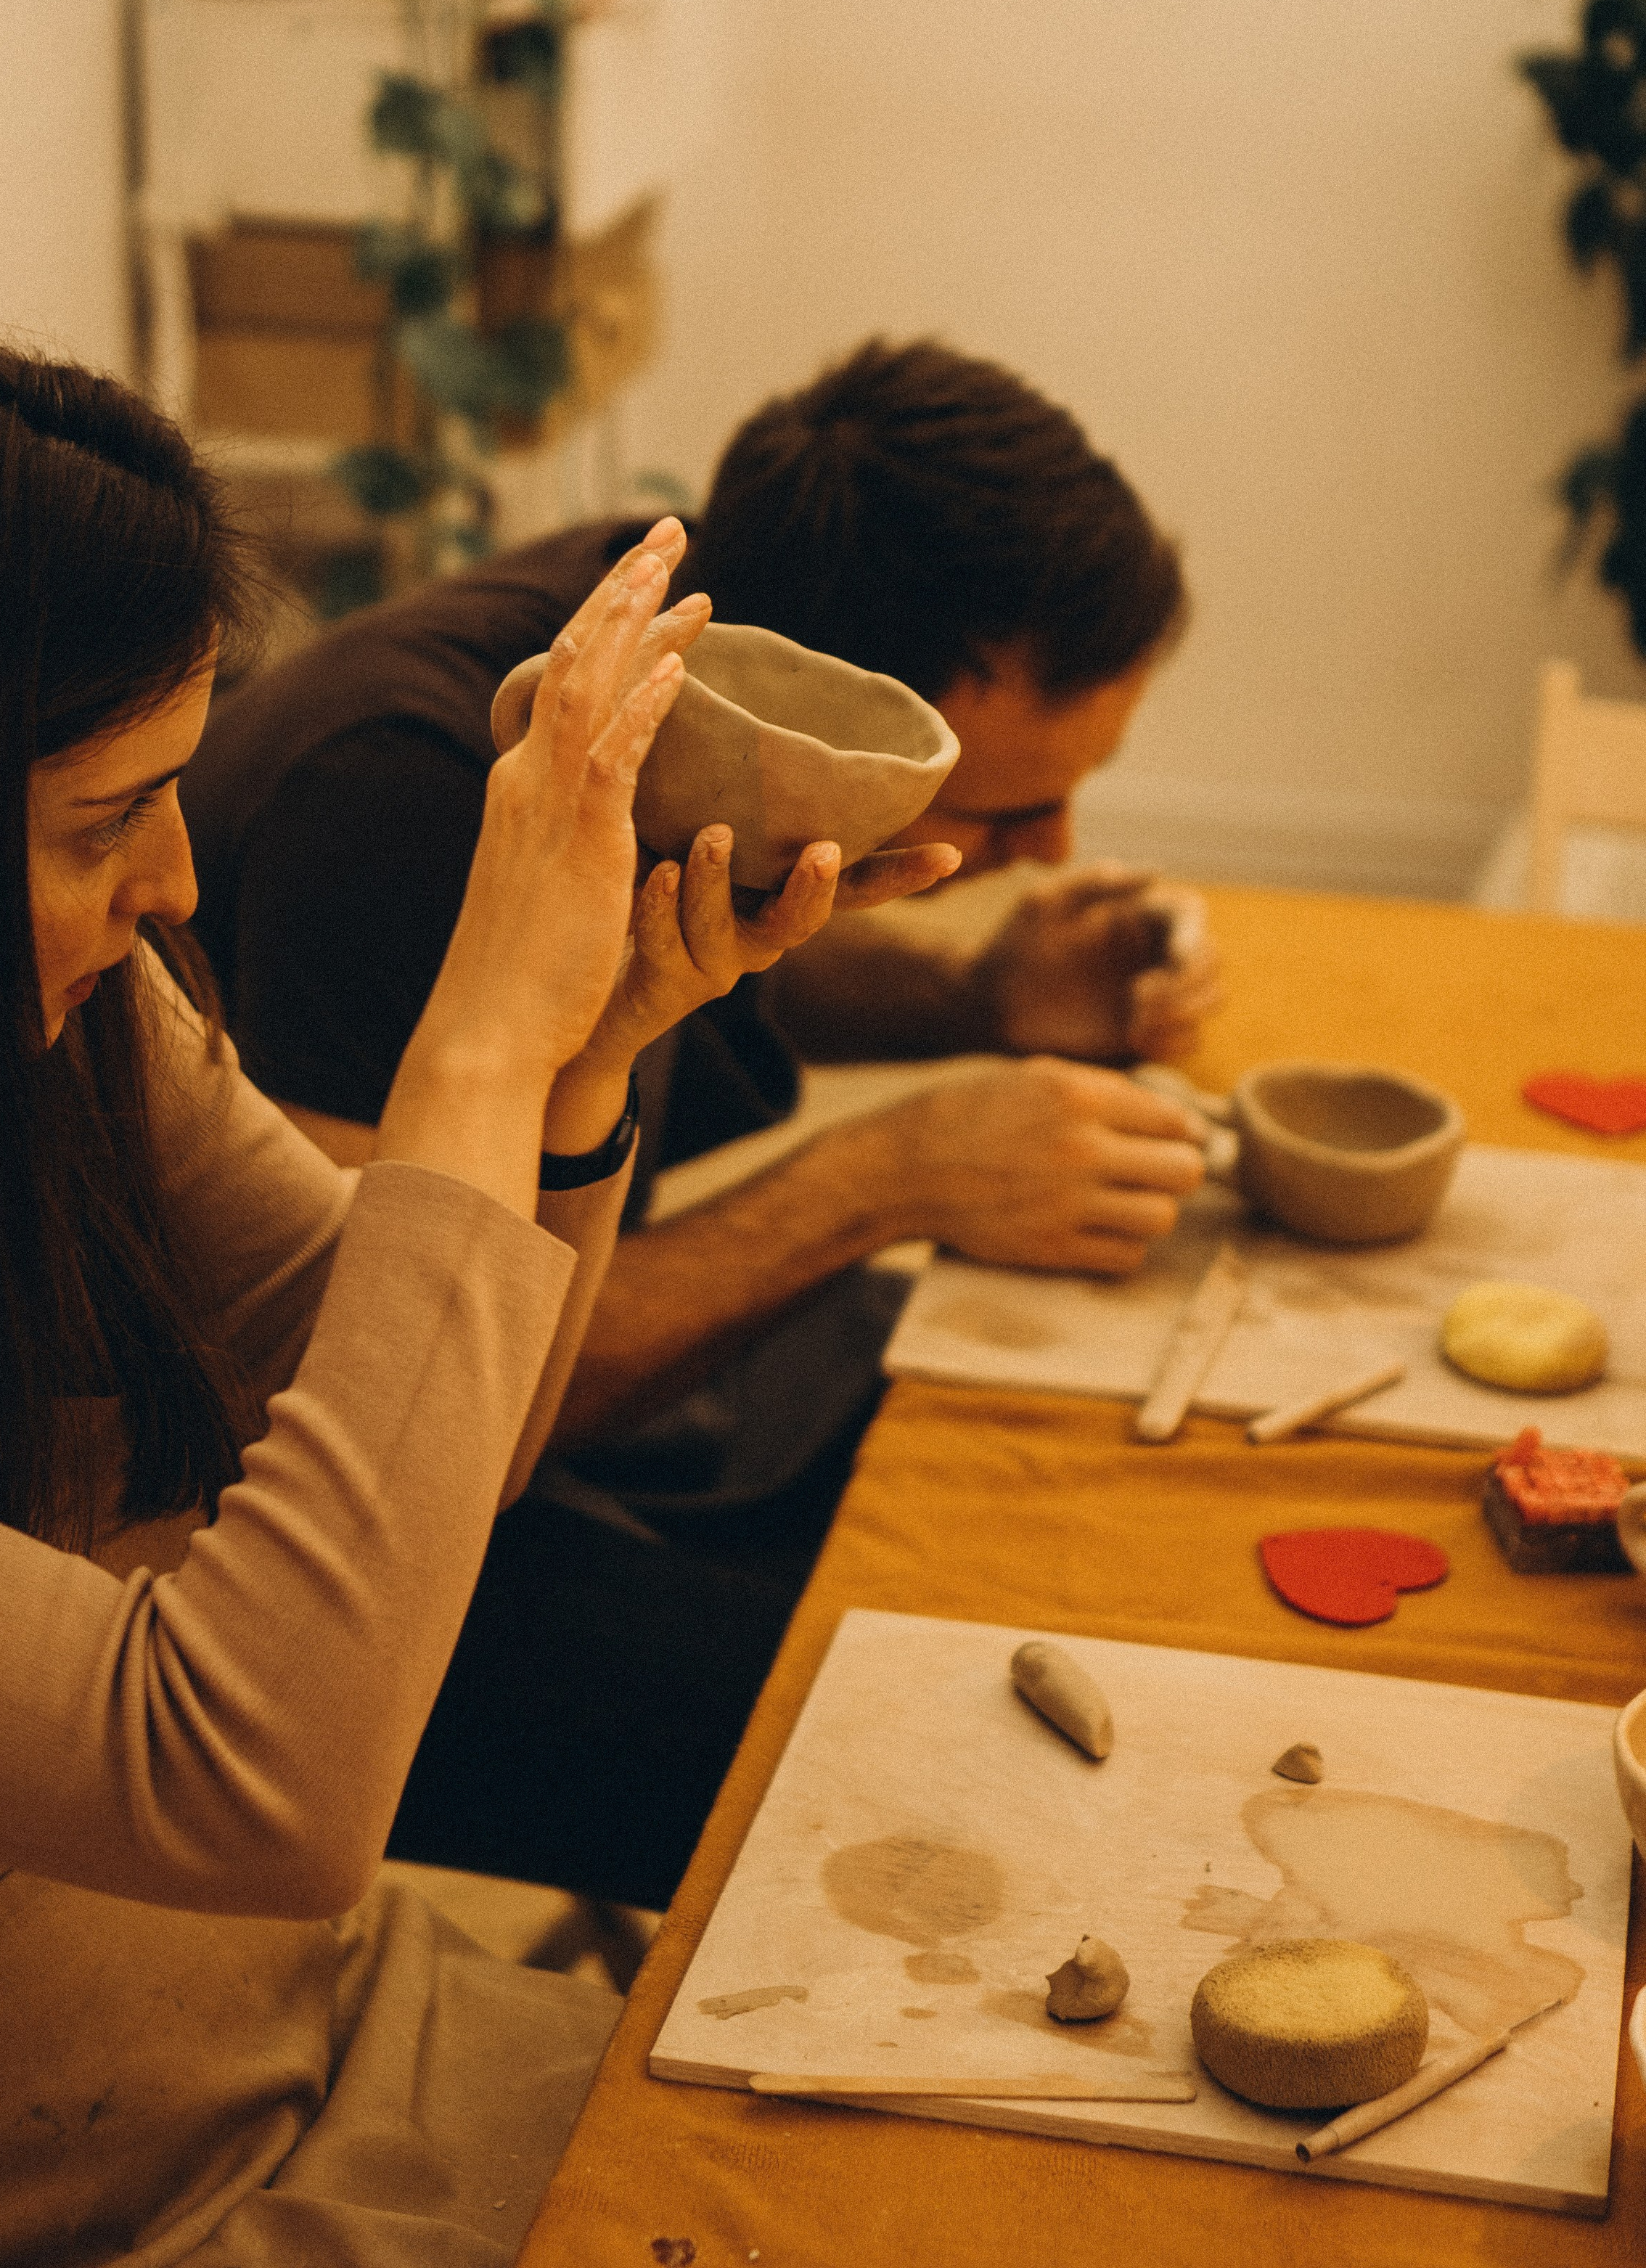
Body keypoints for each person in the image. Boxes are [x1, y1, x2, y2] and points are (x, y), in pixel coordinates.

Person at [0, 311, 938, 2266]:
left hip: (289, 2014)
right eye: (95, 824)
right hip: (31, 2193)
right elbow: (249, 1780)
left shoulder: (63, 1025)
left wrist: (586, 1065)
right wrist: (477, 1039)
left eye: (174, 789)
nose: (172, 880)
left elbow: (435, 1442)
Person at [181, 340, 1220, 1912]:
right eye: (1000, 813)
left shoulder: (674, 642)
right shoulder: (411, 797)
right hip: (315, 1552)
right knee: (929, 1755)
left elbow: (695, 944)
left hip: (523, 1398)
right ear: (834, 733)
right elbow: (417, 1392)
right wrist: (891, 1176)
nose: (1046, 849)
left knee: (1060, 1508)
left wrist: (983, 997)